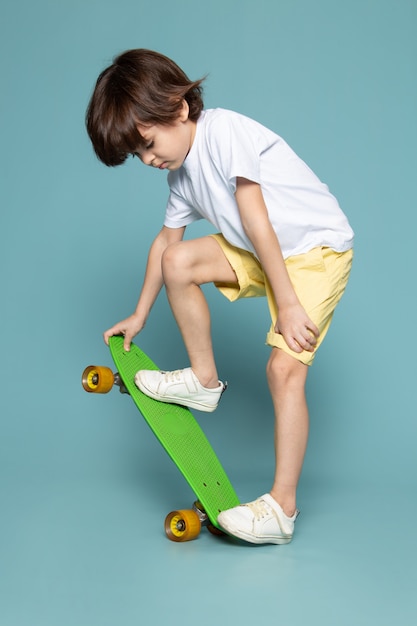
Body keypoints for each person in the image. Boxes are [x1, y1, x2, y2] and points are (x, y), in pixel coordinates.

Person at [86, 48, 354, 545]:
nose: (147, 159)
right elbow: (166, 244)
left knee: (283, 370)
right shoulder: (180, 174)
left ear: (180, 108)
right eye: (136, 156)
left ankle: (281, 511)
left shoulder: (224, 132)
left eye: (146, 143)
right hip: (266, 250)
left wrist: (290, 301)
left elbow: (255, 218)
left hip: (315, 251)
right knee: (178, 261)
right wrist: (140, 314)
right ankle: (204, 381)